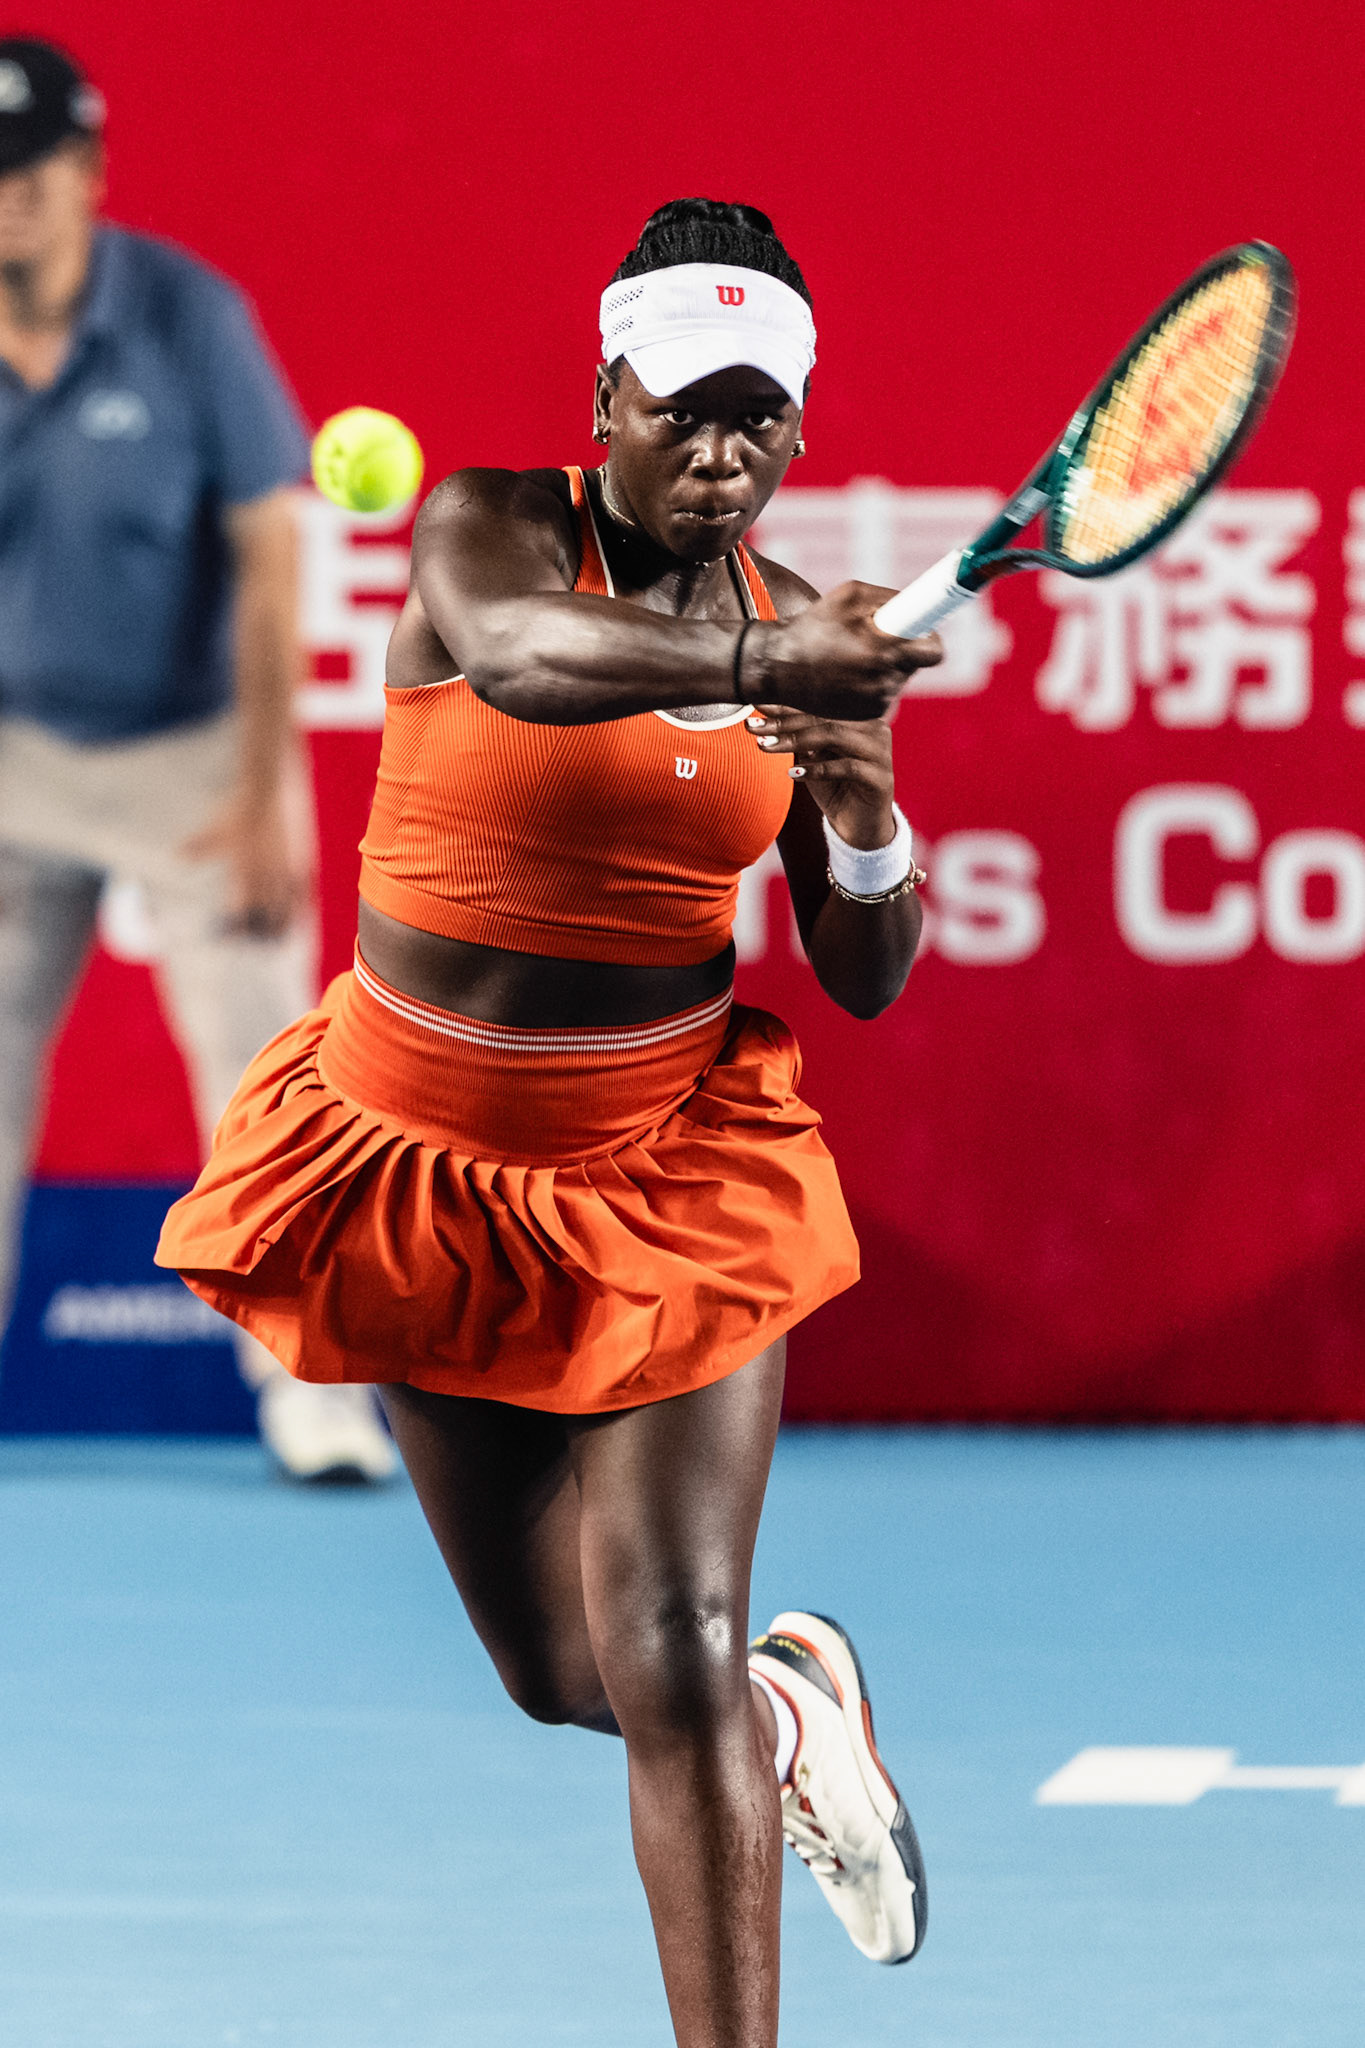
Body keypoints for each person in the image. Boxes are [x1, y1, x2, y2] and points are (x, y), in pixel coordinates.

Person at [158, 196, 940, 2043]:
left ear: (802, 429)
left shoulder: (796, 633)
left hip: (663, 1171)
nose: (718, 450)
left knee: (664, 1651)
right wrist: (772, 681)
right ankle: (791, 1713)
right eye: (681, 407)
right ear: (606, 395)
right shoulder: (486, 527)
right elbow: (520, 658)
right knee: (557, 1674)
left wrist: (860, 800)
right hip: (408, 1164)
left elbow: (869, 967)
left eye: (757, 416)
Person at [0, 38, 394, 1480]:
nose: (8, 201)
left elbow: (267, 559)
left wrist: (256, 793)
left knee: (260, 1077)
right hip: (10, 756)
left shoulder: (186, 319)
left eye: (33, 171)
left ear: (89, 176)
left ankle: (314, 1396)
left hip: (192, 756)